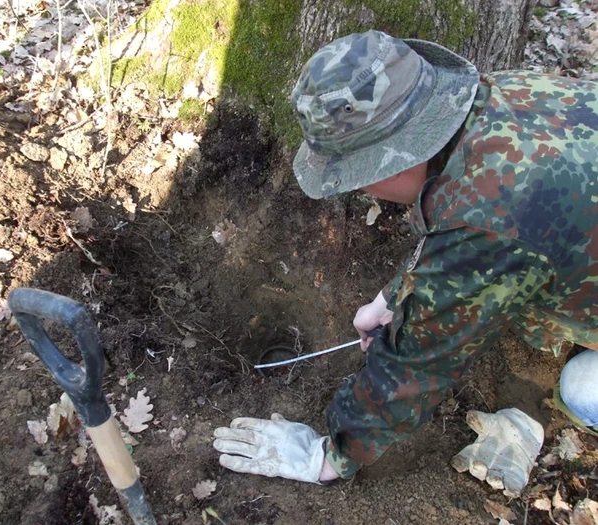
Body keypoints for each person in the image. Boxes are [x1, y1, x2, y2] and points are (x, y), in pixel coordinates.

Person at [212, 30, 598, 485]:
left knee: (580, 392)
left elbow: (416, 366)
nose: (357, 187)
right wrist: (396, 294)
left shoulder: (487, 221)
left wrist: (329, 457)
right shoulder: (503, 97)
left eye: (356, 175)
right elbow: (467, 229)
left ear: (395, 159)